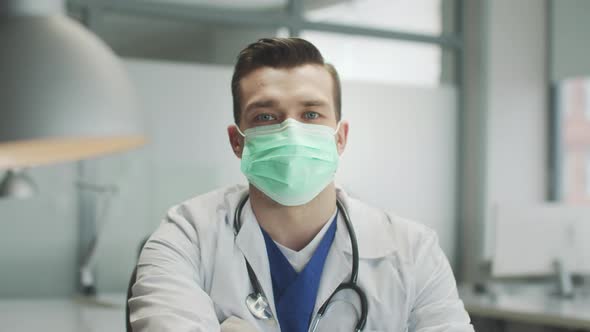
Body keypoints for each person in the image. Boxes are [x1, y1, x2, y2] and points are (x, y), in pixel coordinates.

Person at [128, 37, 474, 332]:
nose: (291, 132)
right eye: (266, 117)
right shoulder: (185, 237)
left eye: (311, 114)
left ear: (340, 138)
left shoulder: (413, 253)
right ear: (238, 141)